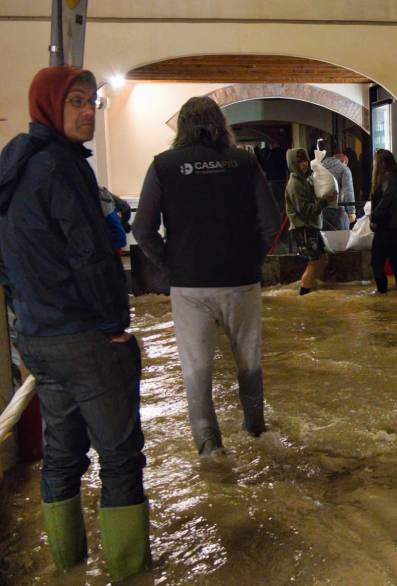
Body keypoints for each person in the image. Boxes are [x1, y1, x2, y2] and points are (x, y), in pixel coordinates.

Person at [0, 66, 149, 581]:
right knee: (121, 456)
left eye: (93, 102)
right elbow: (91, 254)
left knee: (62, 456)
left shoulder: (14, 164)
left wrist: (25, 310)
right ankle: (129, 572)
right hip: (85, 337)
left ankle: (68, 568)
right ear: (49, 106)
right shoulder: (63, 168)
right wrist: (115, 325)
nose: (88, 112)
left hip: (37, 337)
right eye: (76, 102)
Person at [133, 96, 281, 457]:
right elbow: (273, 222)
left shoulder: (164, 166)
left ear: (182, 127)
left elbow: (142, 229)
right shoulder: (245, 163)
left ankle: (209, 447)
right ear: (220, 124)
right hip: (241, 280)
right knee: (249, 360)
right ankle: (257, 433)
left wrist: (170, 264)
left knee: (197, 370)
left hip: (190, 284)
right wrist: (253, 257)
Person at [285, 147, 335, 295]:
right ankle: (304, 294)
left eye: (305, 160)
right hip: (304, 229)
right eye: (300, 161)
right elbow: (306, 210)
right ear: (293, 163)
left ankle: (313, 289)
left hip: (310, 227)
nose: (304, 164)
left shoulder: (304, 181)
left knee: (321, 258)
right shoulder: (295, 184)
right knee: (314, 261)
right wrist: (324, 202)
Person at [368, 149, 397, 293]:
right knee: (396, 262)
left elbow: (386, 201)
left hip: (389, 227)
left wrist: (373, 217)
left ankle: (381, 295)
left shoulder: (387, 178)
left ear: (380, 163)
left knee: (376, 262)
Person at [321, 146, 356, 230]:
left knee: (325, 240)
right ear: (344, 161)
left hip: (321, 211)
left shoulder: (319, 167)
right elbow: (348, 191)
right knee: (341, 239)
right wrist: (351, 212)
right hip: (337, 210)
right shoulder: (344, 169)